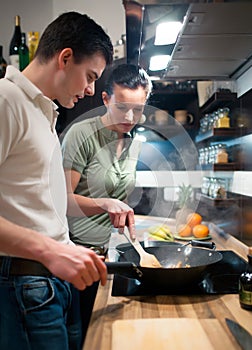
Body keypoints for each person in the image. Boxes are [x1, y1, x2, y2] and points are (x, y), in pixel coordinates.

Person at [0, 11, 113, 350]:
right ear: (65, 58)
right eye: (90, 76)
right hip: (24, 285)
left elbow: (36, 204)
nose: (91, 89)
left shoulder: (43, 111)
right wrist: (50, 251)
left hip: (52, 284)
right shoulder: (6, 101)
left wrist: (67, 248)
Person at [61, 63, 152, 342]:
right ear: (105, 99)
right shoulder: (82, 134)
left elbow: (119, 197)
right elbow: (60, 201)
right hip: (80, 259)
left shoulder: (134, 140)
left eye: (137, 109)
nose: (129, 116)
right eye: (122, 106)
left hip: (114, 257)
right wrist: (104, 203)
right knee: (84, 337)